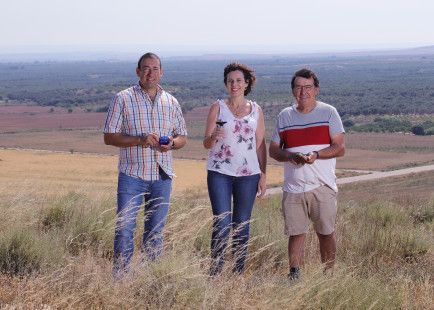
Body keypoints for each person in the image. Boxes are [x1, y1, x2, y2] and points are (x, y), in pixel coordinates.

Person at [103, 52, 187, 274]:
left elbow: (183, 137)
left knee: (156, 232)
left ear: (162, 72)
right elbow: (109, 137)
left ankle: (150, 280)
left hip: (162, 176)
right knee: (124, 230)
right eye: (146, 68)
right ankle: (120, 280)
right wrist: (140, 140)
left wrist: (172, 143)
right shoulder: (122, 98)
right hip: (132, 175)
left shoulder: (171, 102)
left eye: (155, 68)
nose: (151, 73)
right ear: (138, 71)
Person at [269, 68, 345, 280]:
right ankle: (294, 276)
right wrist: (290, 156)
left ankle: (328, 276)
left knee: (326, 232)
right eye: (299, 87)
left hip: (322, 186)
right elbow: (273, 150)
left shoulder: (329, 112)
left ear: (316, 90)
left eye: (308, 87)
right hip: (294, 187)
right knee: (295, 233)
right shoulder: (285, 116)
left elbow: (340, 147)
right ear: (293, 90)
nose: (303, 91)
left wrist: (316, 155)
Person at [203, 63, 267, 275]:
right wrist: (213, 137)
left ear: (247, 83)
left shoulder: (256, 110)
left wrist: (263, 174)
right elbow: (206, 143)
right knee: (221, 222)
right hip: (219, 172)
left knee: (242, 224)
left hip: (248, 175)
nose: (234, 84)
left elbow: (260, 144)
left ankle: (237, 273)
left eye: (239, 80)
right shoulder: (217, 107)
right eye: (230, 81)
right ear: (225, 83)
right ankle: (216, 272)